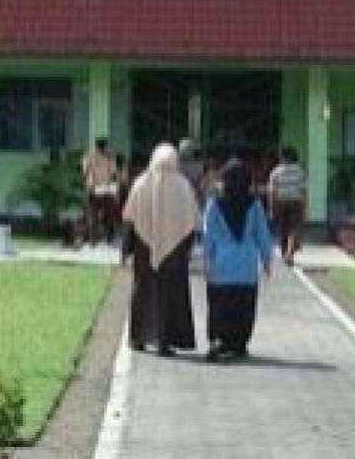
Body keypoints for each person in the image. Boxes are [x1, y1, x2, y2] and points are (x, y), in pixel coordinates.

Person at [121, 143, 199, 356]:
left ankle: (138, 338)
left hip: (144, 249)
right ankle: (165, 342)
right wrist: (186, 249)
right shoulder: (183, 186)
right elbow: (192, 223)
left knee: (143, 292)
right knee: (170, 295)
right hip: (175, 252)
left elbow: (129, 220)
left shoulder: (140, 184)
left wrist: (126, 250)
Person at [203, 159, 272, 361]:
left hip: (221, 264)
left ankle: (219, 340)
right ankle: (239, 344)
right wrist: (266, 260)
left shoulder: (214, 204)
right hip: (246, 264)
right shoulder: (255, 205)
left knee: (219, 305)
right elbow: (262, 234)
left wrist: (207, 260)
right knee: (244, 306)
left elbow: (208, 235)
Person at [268, 146, 307, 266]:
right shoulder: (300, 171)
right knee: (293, 229)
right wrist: (305, 206)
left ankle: (285, 253)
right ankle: (289, 253)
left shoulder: (276, 171)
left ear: (283, 158)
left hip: (280, 202)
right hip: (295, 202)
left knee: (282, 229)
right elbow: (303, 191)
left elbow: (272, 192)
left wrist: (271, 208)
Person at [82, 137, 119, 245]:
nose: (103, 148)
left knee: (100, 215)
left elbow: (85, 173)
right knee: (101, 215)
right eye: (102, 146)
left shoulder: (90, 156)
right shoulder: (106, 156)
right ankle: (101, 238)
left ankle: (99, 239)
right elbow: (113, 173)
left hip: (99, 188)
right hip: (100, 189)